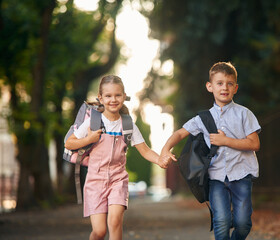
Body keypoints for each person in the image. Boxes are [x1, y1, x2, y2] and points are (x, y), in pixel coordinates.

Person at [160, 62, 261, 240]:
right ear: (210, 86)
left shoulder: (245, 114)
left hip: (242, 174)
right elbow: (180, 133)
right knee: (221, 221)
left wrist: (226, 141)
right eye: (220, 83)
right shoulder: (202, 118)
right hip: (216, 177)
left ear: (235, 88)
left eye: (230, 83)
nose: (225, 87)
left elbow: (254, 144)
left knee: (243, 223)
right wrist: (165, 149)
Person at [65, 75, 168, 240]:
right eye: (108, 96)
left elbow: (145, 150)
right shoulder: (93, 121)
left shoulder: (127, 124)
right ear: (100, 98)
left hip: (118, 179)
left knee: (114, 221)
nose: (113, 99)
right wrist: (89, 139)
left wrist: (160, 160)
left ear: (124, 96)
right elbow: (69, 143)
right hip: (95, 180)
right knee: (99, 232)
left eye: (117, 95)